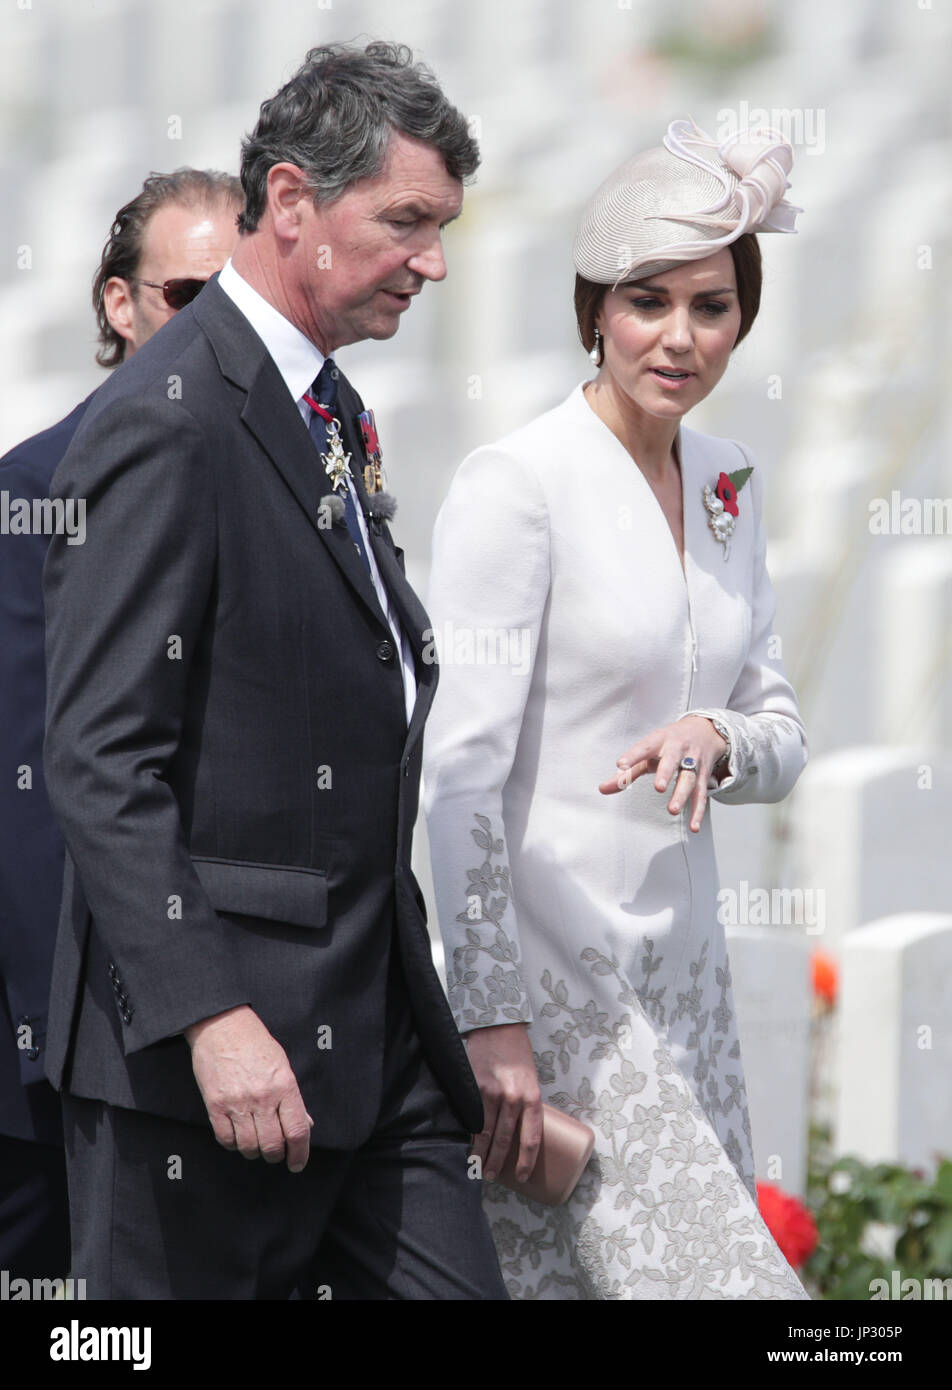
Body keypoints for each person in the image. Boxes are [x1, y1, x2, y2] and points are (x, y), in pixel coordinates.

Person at [42, 41, 507, 1301]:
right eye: (405, 223)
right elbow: (97, 755)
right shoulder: (166, 416)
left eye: (443, 227)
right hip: (207, 1070)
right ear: (292, 201)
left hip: (373, 1038)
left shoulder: (329, 407)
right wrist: (211, 1017)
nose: (434, 262)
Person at [424, 118, 811, 1299]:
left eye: (712, 306)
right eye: (648, 301)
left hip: (688, 985)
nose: (679, 337)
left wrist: (719, 735)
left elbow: (782, 729)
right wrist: (491, 1026)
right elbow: (458, 776)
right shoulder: (518, 484)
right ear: (594, 306)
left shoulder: (729, 479)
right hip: (558, 998)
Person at [0, 168, 241, 1283]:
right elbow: (38, 785)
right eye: (191, 293)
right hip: (79, 1049)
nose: (217, 325)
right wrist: (68, 1053)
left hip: (237, 1023)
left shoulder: (289, 474)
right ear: (119, 304)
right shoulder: (42, 488)